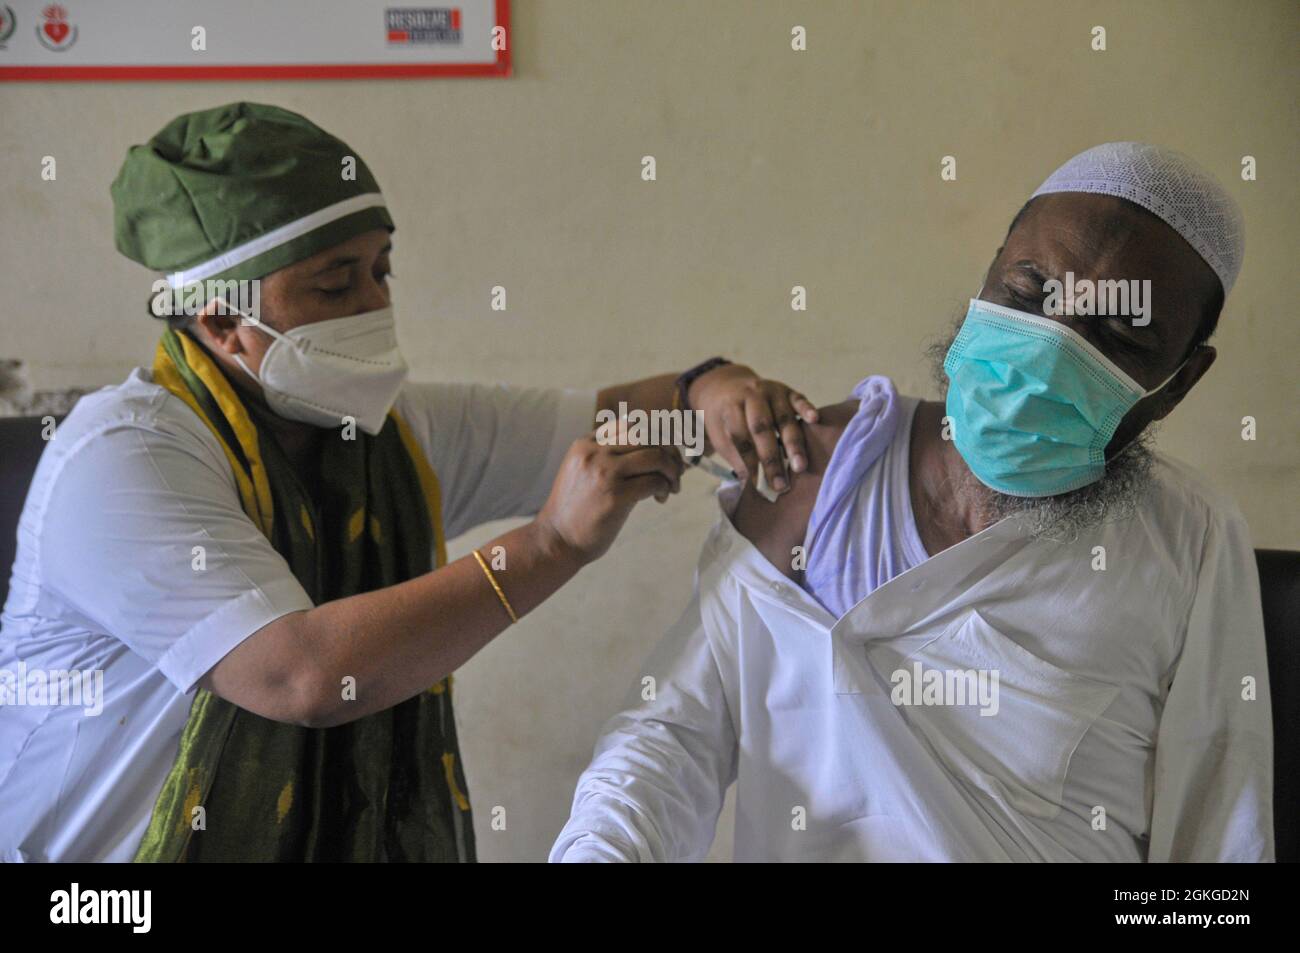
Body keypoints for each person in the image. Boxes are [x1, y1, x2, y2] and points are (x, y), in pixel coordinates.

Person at [0, 101, 818, 862]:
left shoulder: (386, 440)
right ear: (222, 322)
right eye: (333, 283)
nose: (371, 303)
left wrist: (704, 390)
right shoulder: (125, 456)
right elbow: (303, 674)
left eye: (380, 270)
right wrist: (549, 546)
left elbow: (609, 422)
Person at [551, 143, 1274, 862]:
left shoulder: (1188, 541)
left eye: (1116, 334)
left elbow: (1219, 844)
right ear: (988, 274)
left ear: (1179, 382)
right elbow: (670, 740)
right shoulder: (815, 472)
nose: (1050, 352)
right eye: (1028, 293)